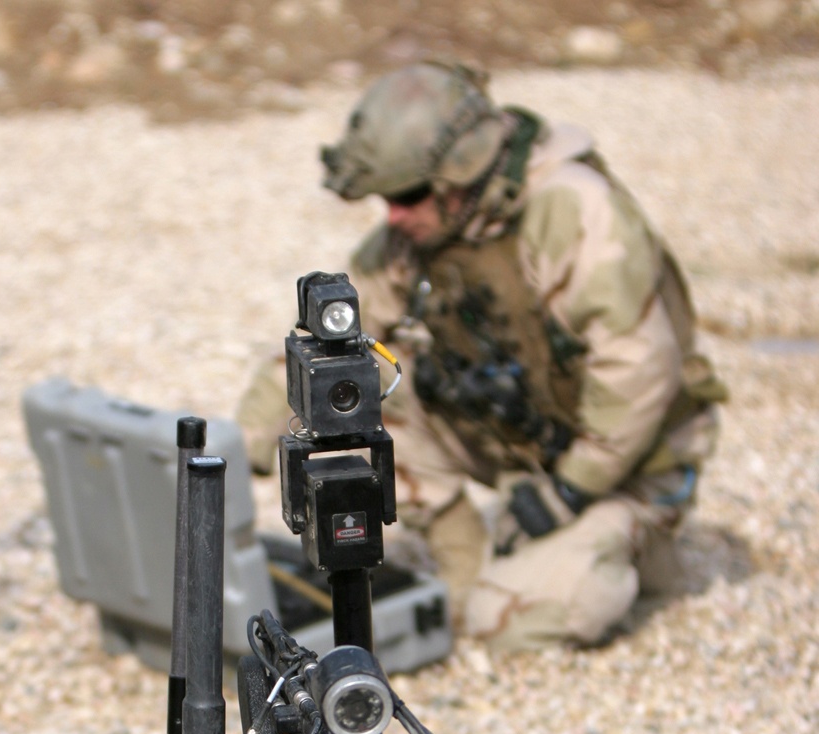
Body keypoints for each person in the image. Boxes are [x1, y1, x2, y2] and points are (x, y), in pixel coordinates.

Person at [238, 61, 727, 654]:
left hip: (627, 467)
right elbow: (323, 348)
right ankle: (466, 565)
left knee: (507, 624)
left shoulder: (574, 212)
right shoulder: (430, 227)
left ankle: (641, 549)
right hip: (526, 443)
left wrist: (569, 491)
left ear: (461, 174)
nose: (393, 216)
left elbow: (639, 370)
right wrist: (229, 457)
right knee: (357, 402)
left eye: (407, 196)